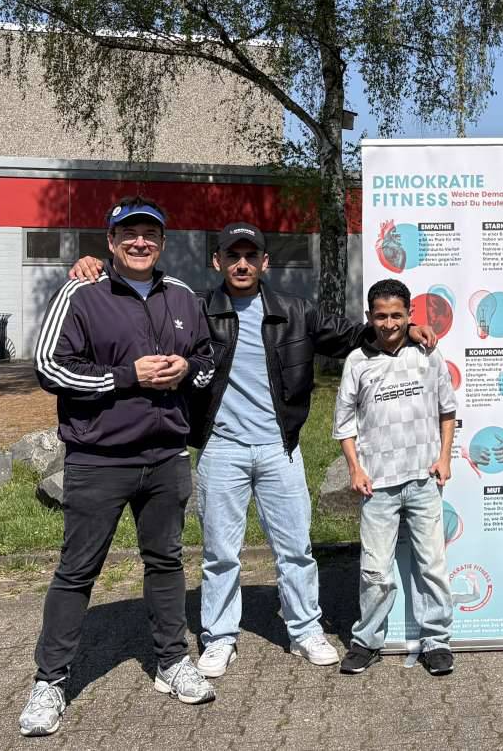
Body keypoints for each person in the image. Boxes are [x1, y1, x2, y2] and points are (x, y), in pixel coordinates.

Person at [66, 223, 436, 678]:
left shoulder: (295, 311)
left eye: (251, 256)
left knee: (296, 549)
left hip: (280, 449)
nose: (242, 264)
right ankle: (220, 637)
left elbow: (352, 335)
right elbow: (141, 299)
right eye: (232, 256)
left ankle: (305, 630)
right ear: (217, 261)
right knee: (221, 554)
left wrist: (407, 328)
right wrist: (96, 266)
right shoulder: (195, 308)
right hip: (222, 450)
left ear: (265, 262)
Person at [20, 196, 218, 738]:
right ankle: (50, 680)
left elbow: (207, 361)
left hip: (166, 457)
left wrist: (186, 369)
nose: (139, 242)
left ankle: (172, 661)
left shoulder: (181, 295)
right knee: (77, 570)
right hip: (99, 459)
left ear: (162, 242)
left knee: (166, 562)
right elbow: (49, 368)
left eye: (149, 234)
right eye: (128, 234)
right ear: (110, 242)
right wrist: (129, 376)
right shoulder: (81, 293)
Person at [333, 279, 458, 677]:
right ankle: (367, 641)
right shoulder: (356, 361)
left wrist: (444, 457)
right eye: (381, 316)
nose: (389, 324)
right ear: (369, 317)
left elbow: (447, 410)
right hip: (378, 485)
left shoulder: (428, 355)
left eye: (397, 316)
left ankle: (436, 641)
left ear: (410, 315)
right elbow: (344, 423)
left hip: (423, 479)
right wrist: (355, 468)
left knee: (432, 566)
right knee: (375, 571)